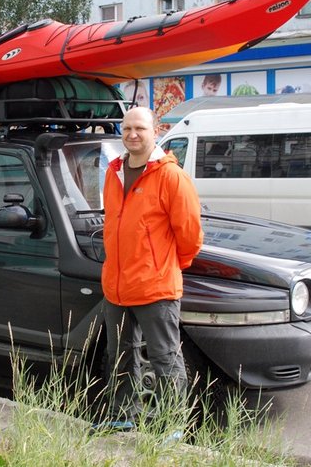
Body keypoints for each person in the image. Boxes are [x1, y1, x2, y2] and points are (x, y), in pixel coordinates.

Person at [96, 106, 203, 432]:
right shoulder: (113, 172)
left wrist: (163, 267)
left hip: (155, 287)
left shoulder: (171, 176)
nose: (132, 134)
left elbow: (191, 236)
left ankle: (171, 428)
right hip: (116, 287)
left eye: (139, 128)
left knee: (165, 360)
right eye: (127, 128)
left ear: (155, 130)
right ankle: (121, 419)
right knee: (120, 358)